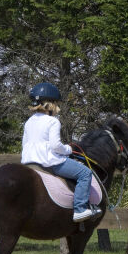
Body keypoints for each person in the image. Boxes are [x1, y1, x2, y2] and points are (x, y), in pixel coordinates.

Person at [21, 82, 102, 223]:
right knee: (85, 173)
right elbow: (55, 146)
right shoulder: (53, 122)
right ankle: (80, 209)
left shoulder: (29, 122)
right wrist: (69, 149)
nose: (58, 107)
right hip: (49, 162)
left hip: (29, 162)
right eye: (56, 103)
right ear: (50, 103)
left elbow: (25, 144)